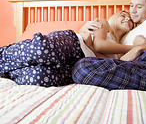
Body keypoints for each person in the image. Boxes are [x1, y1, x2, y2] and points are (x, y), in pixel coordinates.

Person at [0, 11, 135, 87]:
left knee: (39, 77)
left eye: (131, 20)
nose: (127, 18)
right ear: (115, 17)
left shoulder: (118, 50)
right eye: (123, 15)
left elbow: (102, 60)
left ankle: (8, 72)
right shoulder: (104, 24)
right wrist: (134, 47)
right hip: (74, 44)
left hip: (77, 65)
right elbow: (100, 44)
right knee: (42, 49)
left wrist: (91, 47)